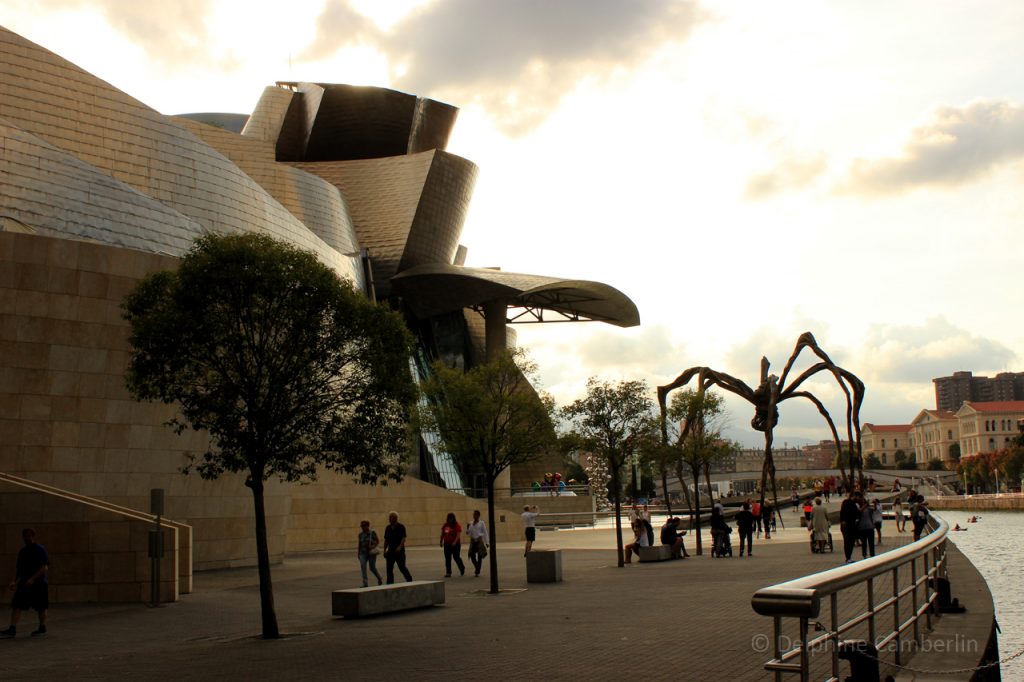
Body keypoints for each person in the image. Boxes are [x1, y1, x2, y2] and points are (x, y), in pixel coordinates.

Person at [1, 528, 49, 638]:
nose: (27, 538)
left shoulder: (40, 549)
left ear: (33, 536)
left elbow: (45, 567)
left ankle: (42, 627)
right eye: (25, 536)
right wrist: (14, 581)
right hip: (24, 583)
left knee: (41, 606)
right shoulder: (23, 551)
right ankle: (12, 629)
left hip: (39, 583)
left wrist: (33, 579)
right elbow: (19, 569)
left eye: (29, 536)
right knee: (16, 605)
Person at [383, 511, 413, 583]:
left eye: (391, 517)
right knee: (389, 569)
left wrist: (400, 547)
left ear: (396, 518)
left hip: (399, 552)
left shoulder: (401, 527)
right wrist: (384, 550)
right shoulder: (388, 528)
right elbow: (386, 540)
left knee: (402, 567)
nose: (389, 519)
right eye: (389, 517)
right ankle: (390, 583)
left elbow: (403, 538)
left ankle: (409, 579)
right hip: (390, 551)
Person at [357, 520, 383, 588]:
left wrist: (372, 546)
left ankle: (379, 577)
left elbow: (377, 541)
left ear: (367, 526)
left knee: (372, 567)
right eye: (361, 526)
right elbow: (359, 544)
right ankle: (365, 583)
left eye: (363, 526)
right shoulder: (360, 534)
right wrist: (358, 553)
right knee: (363, 566)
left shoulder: (372, 533)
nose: (362, 527)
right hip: (363, 553)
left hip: (371, 553)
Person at [439, 512, 466, 578]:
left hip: (455, 545)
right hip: (447, 544)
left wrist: (454, 542)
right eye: (449, 518)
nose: (450, 520)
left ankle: (462, 568)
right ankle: (448, 572)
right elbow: (442, 534)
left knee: (456, 557)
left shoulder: (457, 525)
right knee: (447, 558)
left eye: (451, 518)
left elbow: (458, 535)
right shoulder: (445, 525)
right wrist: (441, 541)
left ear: (453, 519)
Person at [466, 509, 489, 577]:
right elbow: (468, 533)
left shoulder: (481, 523)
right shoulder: (471, 523)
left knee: (480, 556)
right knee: (472, 556)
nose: (474, 516)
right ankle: (477, 567)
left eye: (476, 514)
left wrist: (487, 542)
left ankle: (477, 571)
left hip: (479, 540)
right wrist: (467, 528)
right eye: (473, 514)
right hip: (473, 541)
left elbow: (485, 532)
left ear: (478, 516)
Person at [839, 492, 860, 563]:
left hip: (847, 525)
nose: (857, 498)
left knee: (848, 542)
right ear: (853, 496)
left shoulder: (846, 503)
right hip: (849, 525)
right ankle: (848, 557)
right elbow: (856, 514)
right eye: (856, 497)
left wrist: (842, 521)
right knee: (849, 542)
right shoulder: (851, 504)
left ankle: (848, 557)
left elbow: (842, 512)